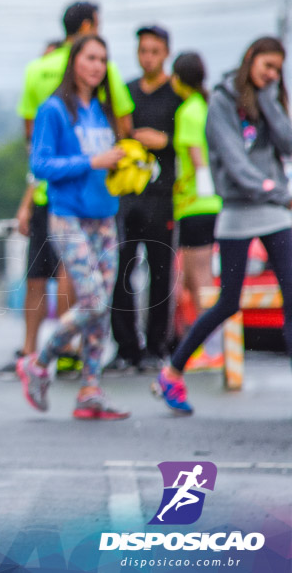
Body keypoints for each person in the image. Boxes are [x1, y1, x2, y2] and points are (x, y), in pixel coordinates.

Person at [154, 37, 291, 416]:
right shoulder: (220, 103)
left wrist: (268, 99)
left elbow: (288, 143)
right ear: (250, 60)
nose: (272, 74)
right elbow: (235, 164)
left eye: (278, 69)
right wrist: (278, 192)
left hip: (276, 215)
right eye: (267, 66)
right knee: (227, 301)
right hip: (237, 214)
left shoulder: (270, 98)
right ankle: (173, 371)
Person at [12, 2, 135, 378]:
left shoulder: (102, 111)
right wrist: (92, 162)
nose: (97, 66)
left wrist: (130, 163)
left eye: (103, 59)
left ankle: (90, 389)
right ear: (74, 61)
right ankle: (41, 360)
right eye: (90, 58)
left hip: (105, 217)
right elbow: (40, 164)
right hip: (68, 217)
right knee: (93, 301)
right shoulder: (54, 110)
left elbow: (112, 157)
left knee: (102, 309)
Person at [108, 25, 184, 374]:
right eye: (142, 51)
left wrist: (164, 141)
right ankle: (125, 347)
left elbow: (195, 139)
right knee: (121, 271)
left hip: (163, 195)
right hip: (127, 194)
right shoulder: (126, 92)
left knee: (161, 271)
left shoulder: (178, 94)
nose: (147, 57)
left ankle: (157, 346)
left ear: (165, 52)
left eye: (154, 51)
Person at [169, 52, 221, 365]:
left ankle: (213, 349)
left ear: (178, 79)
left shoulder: (189, 111)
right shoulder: (205, 106)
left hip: (196, 204)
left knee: (201, 279)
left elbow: (197, 155)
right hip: (200, 205)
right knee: (191, 278)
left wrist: (200, 184)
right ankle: (203, 344)